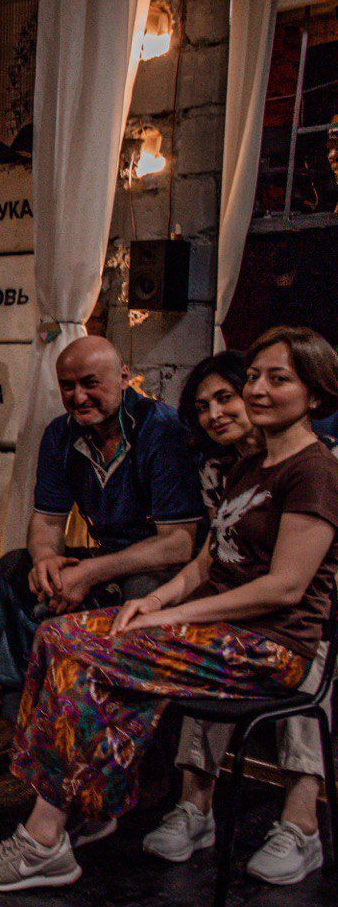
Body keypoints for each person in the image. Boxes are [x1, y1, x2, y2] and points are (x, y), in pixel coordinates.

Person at [0, 326, 338, 892]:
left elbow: (283, 588)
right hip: (225, 632)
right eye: (255, 376)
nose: (257, 389)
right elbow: (207, 561)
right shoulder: (249, 466)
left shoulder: (314, 469)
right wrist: (152, 601)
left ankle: (42, 840)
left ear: (315, 393)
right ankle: (83, 806)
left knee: (88, 652)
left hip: (272, 646)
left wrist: (167, 618)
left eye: (277, 379)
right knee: (58, 635)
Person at [0, 335, 204, 762]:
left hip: (161, 567)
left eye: (90, 383)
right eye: (67, 386)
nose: (78, 396)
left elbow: (179, 543)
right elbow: (48, 520)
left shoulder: (160, 430)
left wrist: (88, 573)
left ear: (123, 377)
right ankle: (16, 716)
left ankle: (138, 742)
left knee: (142, 591)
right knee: (14, 569)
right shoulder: (60, 433)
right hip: (108, 556)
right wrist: (46, 562)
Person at [142, 350, 335, 885]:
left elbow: (296, 579)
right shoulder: (223, 468)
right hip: (246, 609)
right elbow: (216, 554)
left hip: (309, 608)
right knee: (217, 641)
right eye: (203, 407)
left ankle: (300, 823)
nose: (215, 414)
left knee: (309, 647)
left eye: (226, 397)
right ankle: (194, 806)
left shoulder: (320, 462)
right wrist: (166, 604)